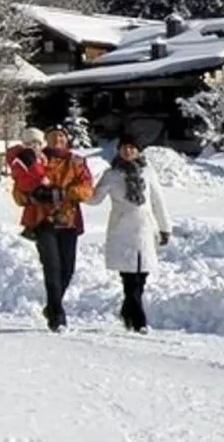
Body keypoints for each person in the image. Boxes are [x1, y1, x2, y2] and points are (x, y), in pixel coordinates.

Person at [12, 125, 94, 332]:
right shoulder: (36, 158)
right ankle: (57, 316)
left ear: (67, 139)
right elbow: (18, 190)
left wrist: (63, 193)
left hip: (69, 220)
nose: (57, 139)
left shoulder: (76, 161)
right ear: (46, 140)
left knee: (68, 269)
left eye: (61, 136)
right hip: (43, 220)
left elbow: (86, 189)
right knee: (52, 267)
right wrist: (33, 196)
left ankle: (51, 306)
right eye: (52, 136)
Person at [88, 136, 173, 333]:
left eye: (132, 148)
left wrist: (165, 227)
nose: (128, 152)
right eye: (124, 148)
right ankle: (139, 320)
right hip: (122, 229)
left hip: (145, 228)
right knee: (129, 279)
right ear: (118, 151)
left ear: (138, 151)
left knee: (142, 277)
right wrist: (80, 188)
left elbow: (158, 201)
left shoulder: (147, 172)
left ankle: (127, 312)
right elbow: (94, 199)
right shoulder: (111, 175)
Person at [5, 127, 50, 240]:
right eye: (30, 143)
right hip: (32, 197)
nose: (34, 146)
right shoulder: (24, 158)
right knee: (33, 219)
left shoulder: (42, 158)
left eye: (37, 143)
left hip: (45, 201)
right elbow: (20, 177)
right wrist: (38, 184)